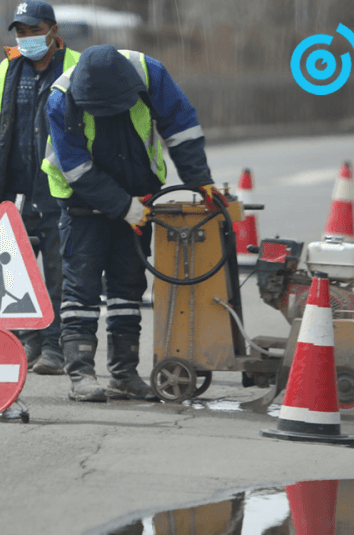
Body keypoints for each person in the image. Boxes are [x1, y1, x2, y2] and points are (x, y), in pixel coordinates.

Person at [42, 44, 228, 402]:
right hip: (82, 204)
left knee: (128, 288)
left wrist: (198, 177)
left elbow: (181, 126)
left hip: (139, 198)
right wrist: (122, 206)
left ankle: (124, 375)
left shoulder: (150, 74)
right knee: (81, 290)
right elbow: (75, 167)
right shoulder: (60, 99)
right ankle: (81, 375)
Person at [0, 0, 80, 375]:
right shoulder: (4, 72)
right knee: (16, 278)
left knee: (60, 279)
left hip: (62, 195)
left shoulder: (78, 68)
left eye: (34, 31)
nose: (27, 39)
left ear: (53, 31)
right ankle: (28, 343)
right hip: (17, 195)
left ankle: (55, 348)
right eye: (21, 32)